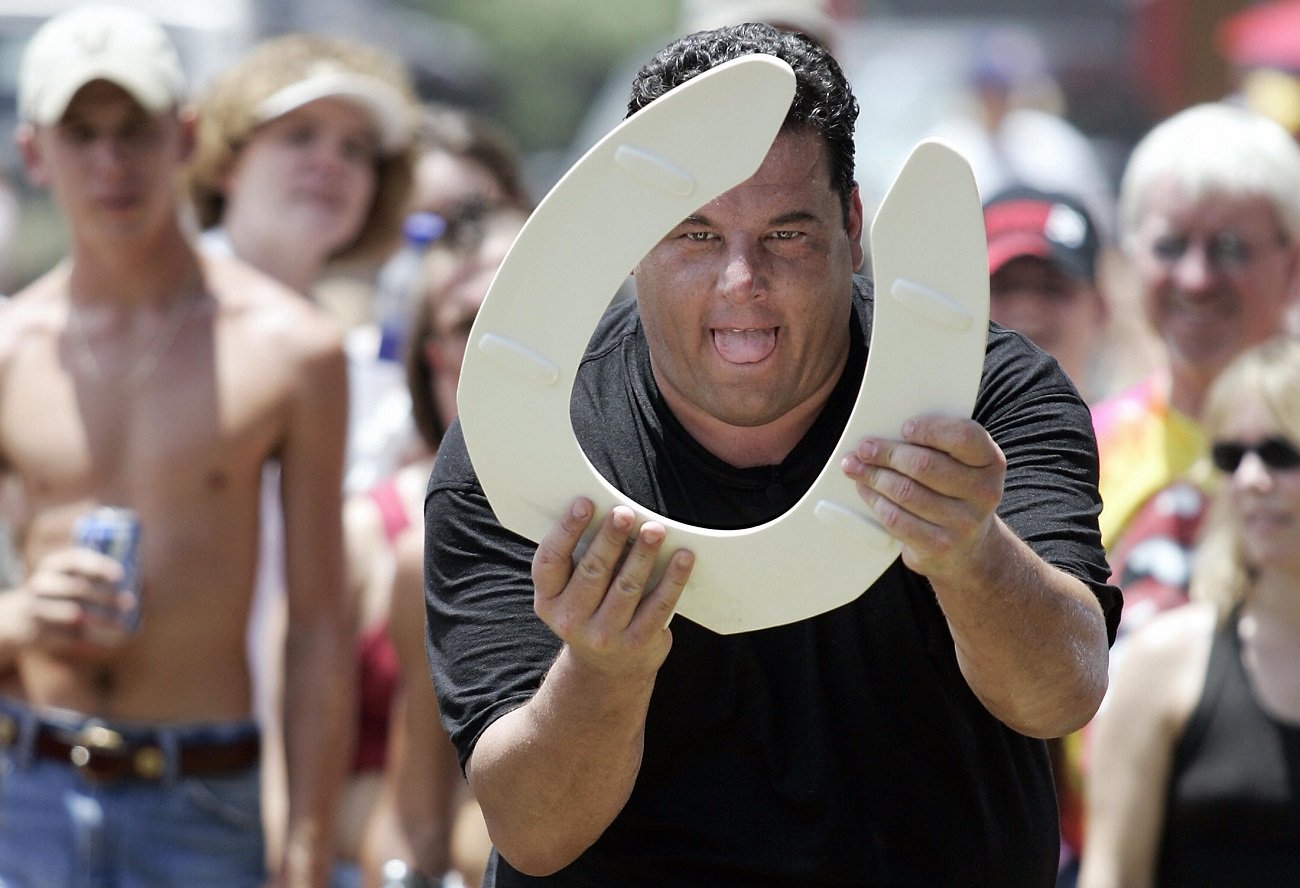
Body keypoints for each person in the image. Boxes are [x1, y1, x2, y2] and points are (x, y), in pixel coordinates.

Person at [424, 23, 1119, 886]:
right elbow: (531, 829)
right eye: (697, 235)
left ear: (853, 225)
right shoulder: (515, 455)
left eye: (787, 236)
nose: (740, 282)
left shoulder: (982, 397)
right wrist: (604, 672)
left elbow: (1062, 693)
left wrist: (972, 557)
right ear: (631, 239)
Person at [0, 6, 352, 886]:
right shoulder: (9, 348)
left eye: (135, 131)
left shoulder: (289, 348)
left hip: (203, 792)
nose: (110, 163)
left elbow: (318, 624)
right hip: (23, 784)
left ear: (185, 135)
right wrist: (15, 618)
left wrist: (306, 845)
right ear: (34, 152)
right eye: (81, 135)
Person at [186, 32, 421, 886]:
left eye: (356, 149)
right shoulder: (143, 329)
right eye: (298, 136)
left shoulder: (377, 380)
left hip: (302, 799)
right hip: (159, 778)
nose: (331, 163)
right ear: (221, 158)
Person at [1080, 334, 1300, 887]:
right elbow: (1111, 874)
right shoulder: (1164, 662)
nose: (1251, 478)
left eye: (1281, 453)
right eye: (1231, 456)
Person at [357, 204, 530, 888]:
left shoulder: (683, 506)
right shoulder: (423, 559)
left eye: (522, 309)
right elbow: (412, 824)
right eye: (469, 326)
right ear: (435, 359)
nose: (504, 346)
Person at [1094, 102, 1300, 645]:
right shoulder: (1086, 445)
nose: (1196, 278)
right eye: (1169, 245)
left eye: (1231, 248)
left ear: (1293, 263)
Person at [983, 185, 1111, 401]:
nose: (1026, 308)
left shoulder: (1129, 431)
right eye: (1003, 287)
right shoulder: (917, 430)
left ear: (1099, 309)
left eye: (1053, 288)